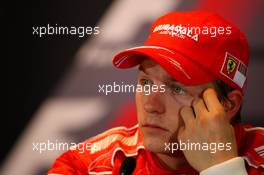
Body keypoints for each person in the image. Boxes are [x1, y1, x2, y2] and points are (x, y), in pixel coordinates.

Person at [48, 11, 264, 175]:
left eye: (177, 87)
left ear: (228, 105)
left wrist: (222, 169)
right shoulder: (86, 166)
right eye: (146, 83)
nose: (151, 105)